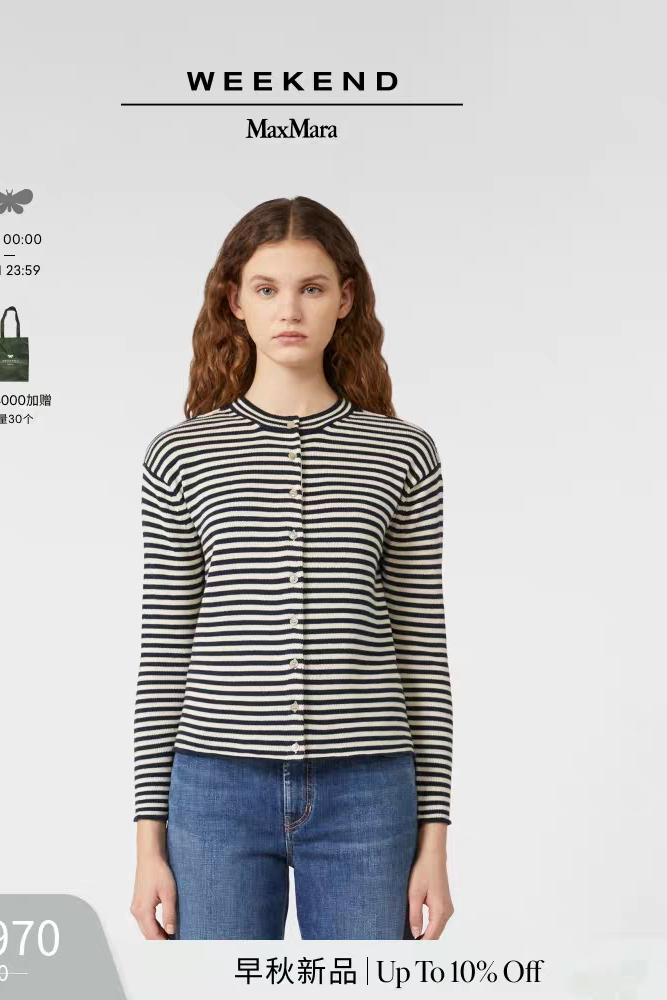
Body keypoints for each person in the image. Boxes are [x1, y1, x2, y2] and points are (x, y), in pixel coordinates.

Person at [130, 196, 454, 941]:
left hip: (369, 790)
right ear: (235, 302)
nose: (290, 310)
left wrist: (434, 845)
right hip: (213, 789)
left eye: (311, 288)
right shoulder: (180, 455)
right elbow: (164, 649)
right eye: (267, 288)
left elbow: (422, 650)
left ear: (346, 299)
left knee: (367, 990)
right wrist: (148, 845)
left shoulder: (403, 453)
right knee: (217, 992)